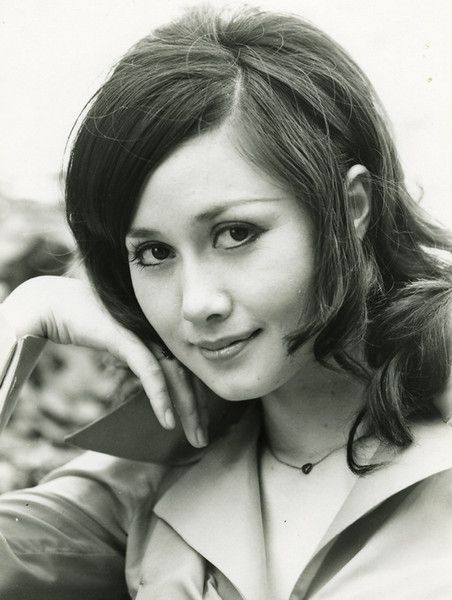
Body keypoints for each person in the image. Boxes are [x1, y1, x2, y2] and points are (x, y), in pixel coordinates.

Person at [0, 5, 451, 599]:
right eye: (154, 253)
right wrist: (21, 318)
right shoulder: (146, 484)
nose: (196, 303)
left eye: (236, 234)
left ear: (352, 208)